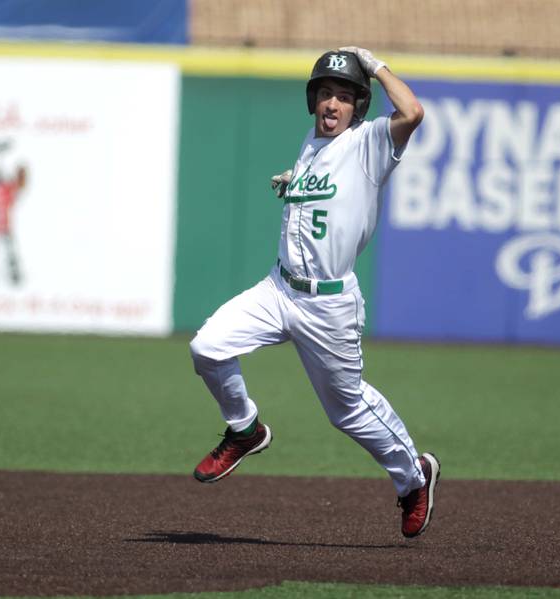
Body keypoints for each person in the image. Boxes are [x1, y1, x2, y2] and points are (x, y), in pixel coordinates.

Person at [189, 47, 441, 539]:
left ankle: (413, 476)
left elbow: (412, 112)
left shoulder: (369, 143)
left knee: (345, 411)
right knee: (207, 348)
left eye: (344, 97)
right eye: (325, 93)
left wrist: (375, 65)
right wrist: (296, 186)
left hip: (327, 305)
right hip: (279, 288)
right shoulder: (312, 142)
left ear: (358, 106)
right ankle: (245, 429)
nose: (332, 104)